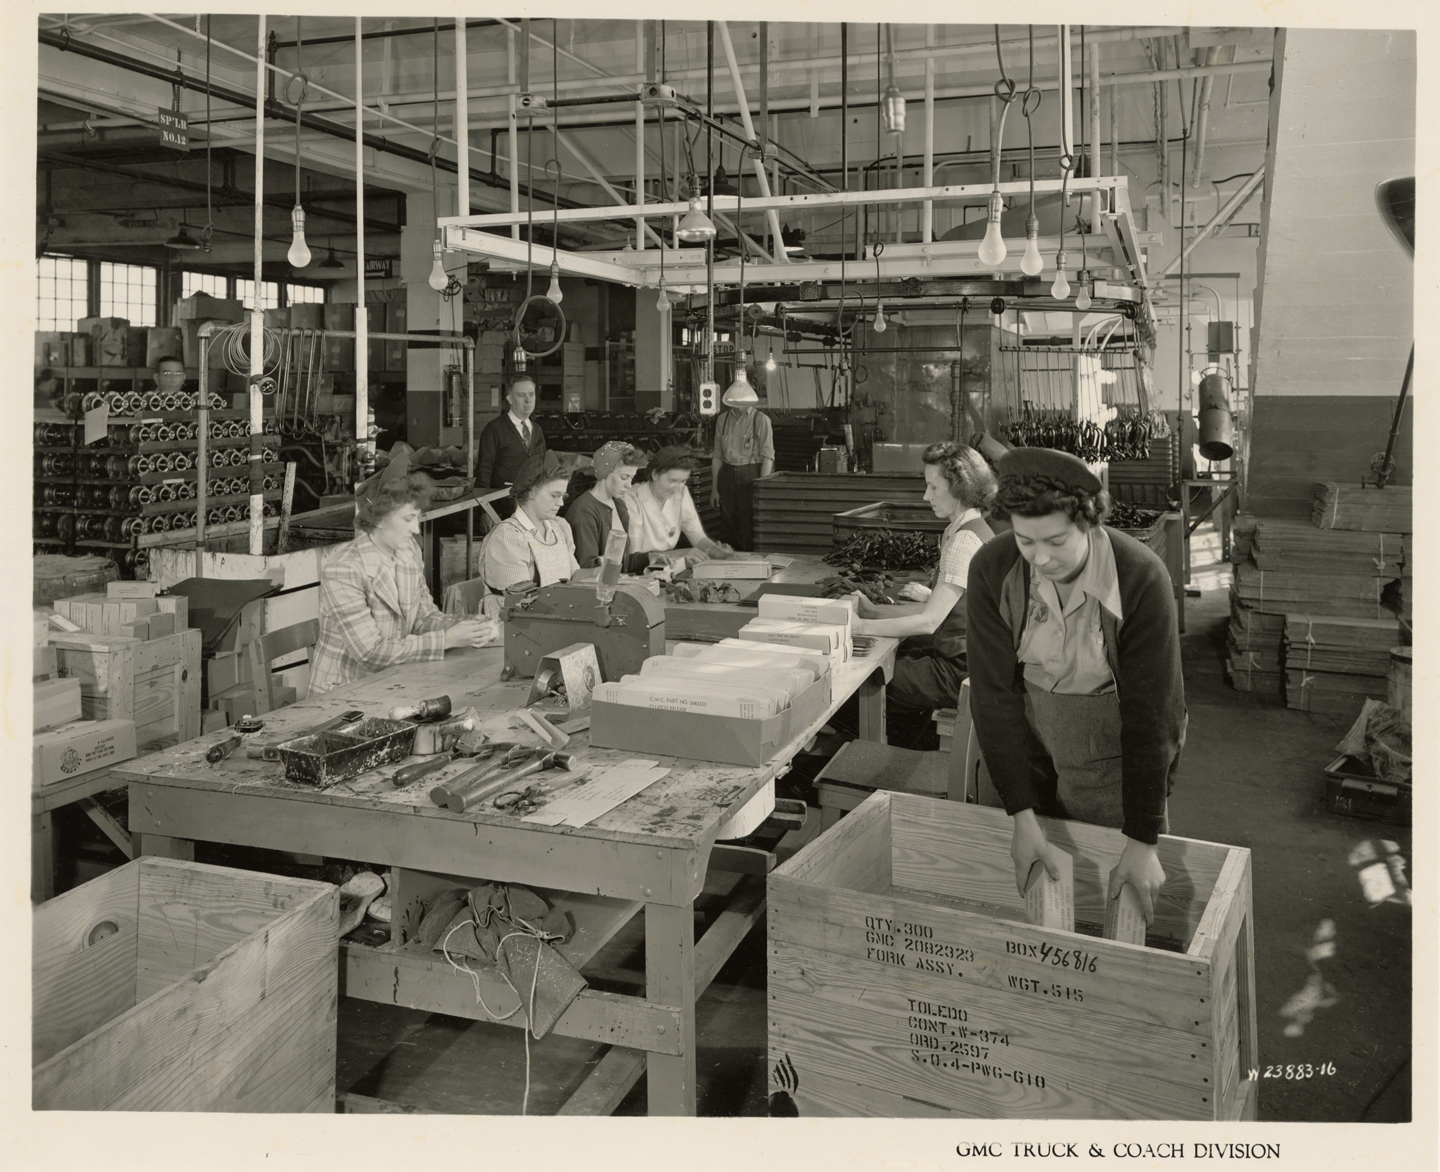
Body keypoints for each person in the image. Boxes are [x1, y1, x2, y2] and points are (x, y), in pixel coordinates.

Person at [966, 447, 1186, 925]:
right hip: (1024, 742)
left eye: (1056, 541)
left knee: (1108, 901)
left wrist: (1142, 838)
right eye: (1025, 540)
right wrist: (1020, 814)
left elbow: (1154, 715)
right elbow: (993, 698)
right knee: (1025, 898)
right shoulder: (992, 569)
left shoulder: (1140, 577)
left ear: (1089, 521)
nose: (1041, 558)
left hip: (1110, 754)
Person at [309, 451, 498, 697]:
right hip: (343, 697)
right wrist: (447, 639)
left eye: (417, 518)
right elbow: (370, 654)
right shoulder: (343, 570)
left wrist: (468, 625)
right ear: (378, 519)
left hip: (395, 683)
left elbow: (423, 619)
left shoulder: (409, 552)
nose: (416, 529)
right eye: (408, 519)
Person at [848, 442, 996, 731]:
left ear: (960, 488)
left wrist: (860, 627)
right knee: (897, 656)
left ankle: (879, 746)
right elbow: (938, 607)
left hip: (962, 672)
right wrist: (873, 611)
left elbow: (930, 621)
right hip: (970, 660)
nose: (926, 495)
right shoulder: (970, 527)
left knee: (866, 675)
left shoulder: (964, 542)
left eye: (933, 487)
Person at [479, 450, 579, 592]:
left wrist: (601, 572)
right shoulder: (508, 537)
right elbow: (519, 600)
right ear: (531, 491)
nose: (561, 503)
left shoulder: (560, 527)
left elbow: (574, 576)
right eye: (554, 496)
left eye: (563, 496)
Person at [622, 445, 736, 564]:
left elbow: (697, 536)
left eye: (683, 481)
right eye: (672, 481)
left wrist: (714, 550)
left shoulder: (681, 493)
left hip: (668, 562)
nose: (678, 487)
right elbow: (634, 556)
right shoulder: (633, 499)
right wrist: (680, 560)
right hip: (642, 566)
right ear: (655, 474)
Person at [563, 441, 651, 572]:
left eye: (631, 478)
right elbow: (588, 569)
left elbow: (622, 563)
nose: (629, 485)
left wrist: (649, 558)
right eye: (624, 477)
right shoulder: (584, 511)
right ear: (605, 472)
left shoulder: (619, 504)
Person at [709, 375, 773, 551]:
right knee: (728, 524)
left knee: (749, 524)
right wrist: (714, 489)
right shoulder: (722, 420)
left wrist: (762, 489)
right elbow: (717, 456)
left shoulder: (761, 420)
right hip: (727, 475)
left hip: (750, 476)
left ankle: (751, 561)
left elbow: (768, 457)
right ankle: (729, 559)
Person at [475, 376, 545, 519]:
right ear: (510, 399)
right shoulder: (494, 429)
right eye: (521, 395)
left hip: (532, 509)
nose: (528, 400)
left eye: (531, 394)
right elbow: (484, 471)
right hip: (502, 510)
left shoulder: (537, 430)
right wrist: (484, 512)